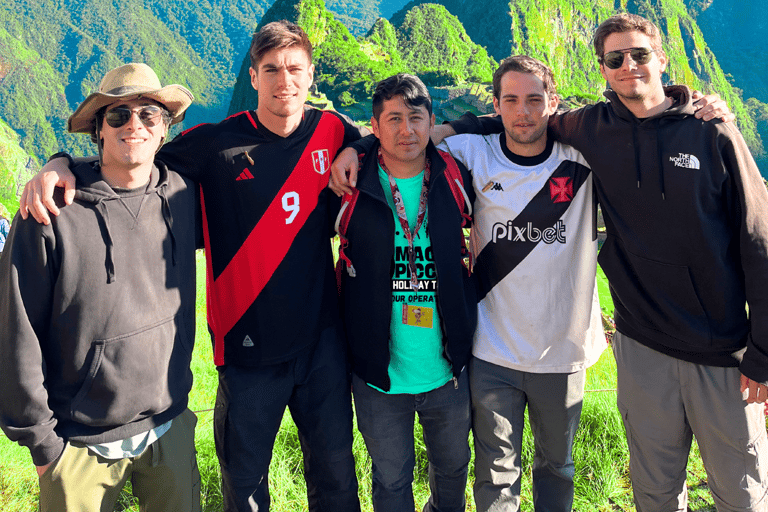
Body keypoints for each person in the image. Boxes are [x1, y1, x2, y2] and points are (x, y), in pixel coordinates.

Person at [21, 20, 367, 512]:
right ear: (253, 77)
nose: (284, 81)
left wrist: (356, 147)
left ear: (312, 76)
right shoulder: (213, 143)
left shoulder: (332, 131)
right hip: (248, 351)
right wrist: (60, 164)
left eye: (295, 69)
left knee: (336, 477)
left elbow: (376, 141)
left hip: (323, 345)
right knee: (245, 489)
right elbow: (129, 158)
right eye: (271, 69)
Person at [439, 13, 768, 511]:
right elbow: (517, 118)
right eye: (616, 59)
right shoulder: (593, 129)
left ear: (662, 59)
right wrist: (428, 127)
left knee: (740, 490)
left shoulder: (710, 132)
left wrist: (762, 352)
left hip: (721, 348)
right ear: (603, 68)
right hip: (640, 347)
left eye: (639, 54)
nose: (628, 66)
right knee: (653, 491)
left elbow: (757, 239)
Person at [335, 57, 606, 511]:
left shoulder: (579, 161)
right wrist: (356, 148)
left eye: (535, 100)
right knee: (472, 475)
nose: (523, 112)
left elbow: (635, 132)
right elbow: (406, 138)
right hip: (479, 354)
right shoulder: (462, 157)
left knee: (545, 466)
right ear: (496, 106)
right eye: (511, 101)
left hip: (537, 355)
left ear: (553, 104)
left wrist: (686, 105)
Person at [0, 62, 200, 512]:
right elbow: (16, 329)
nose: (135, 125)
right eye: (118, 115)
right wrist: (43, 446)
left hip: (168, 423)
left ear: (165, 129)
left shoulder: (183, 195)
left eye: (149, 114)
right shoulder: (51, 214)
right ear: (98, 130)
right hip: (77, 444)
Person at [337, 73, 476, 512]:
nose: (406, 130)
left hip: (448, 370)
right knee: (392, 480)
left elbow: (503, 120)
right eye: (393, 119)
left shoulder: (455, 177)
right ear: (374, 127)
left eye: (416, 118)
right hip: (380, 375)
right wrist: (354, 149)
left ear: (431, 121)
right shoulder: (351, 185)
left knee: (453, 471)